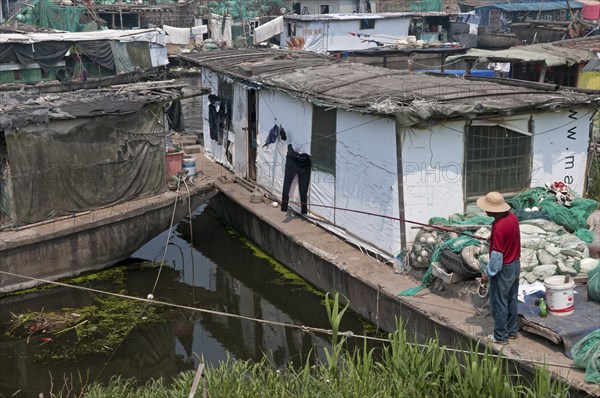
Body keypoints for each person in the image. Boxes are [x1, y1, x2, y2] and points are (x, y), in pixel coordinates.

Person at [477, 191, 521, 345]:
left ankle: (500, 336)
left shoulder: (499, 227)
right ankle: (512, 331)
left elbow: (496, 261)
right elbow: (509, 237)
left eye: (486, 208)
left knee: (499, 302)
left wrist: (486, 274)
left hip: (504, 269)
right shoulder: (511, 217)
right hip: (515, 264)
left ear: (493, 210)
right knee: (512, 299)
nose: (485, 210)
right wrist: (493, 238)